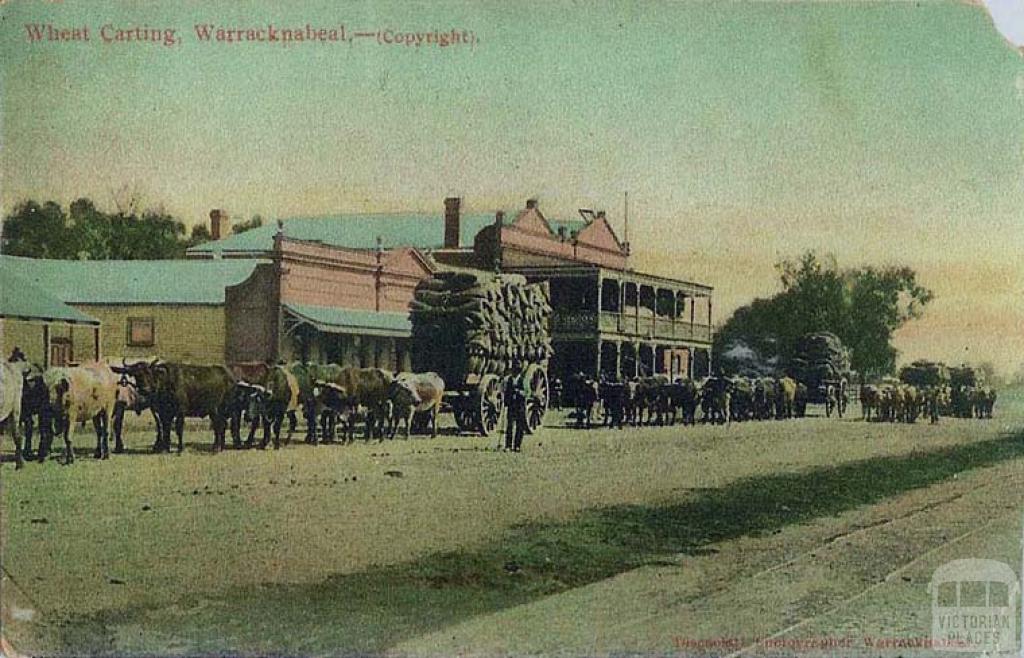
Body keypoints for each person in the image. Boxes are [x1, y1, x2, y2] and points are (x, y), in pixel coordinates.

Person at [504, 363, 528, 452]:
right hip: (511, 405)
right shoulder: (509, 380)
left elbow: (527, 392)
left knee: (519, 426)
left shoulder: (523, 380)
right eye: (513, 370)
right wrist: (505, 401)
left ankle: (517, 445)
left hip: (520, 406)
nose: (514, 372)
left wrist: (519, 392)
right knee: (509, 425)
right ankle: (508, 445)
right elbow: (506, 392)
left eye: (516, 371)